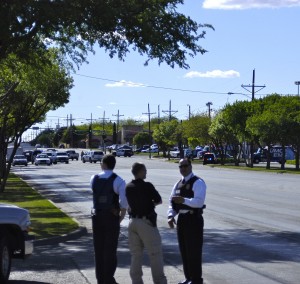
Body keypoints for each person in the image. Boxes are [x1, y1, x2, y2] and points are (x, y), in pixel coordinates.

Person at [126, 162, 167, 284]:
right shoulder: (147, 186)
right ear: (140, 172)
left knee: (136, 255)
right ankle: (160, 281)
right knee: (155, 254)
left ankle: (136, 281)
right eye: (144, 170)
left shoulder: (128, 187)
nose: (146, 172)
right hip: (146, 223)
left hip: (132, 222)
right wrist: (150, 204)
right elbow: (158, 200)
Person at [167, 158, 206, 284]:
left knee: (193, 250)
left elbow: (199, 202)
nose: (183, 168)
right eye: (180, 166)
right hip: (182, 219)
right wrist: (171, 215)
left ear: (190, 166)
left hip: (193, 219)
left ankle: (196, 280)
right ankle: (188, 278)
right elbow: (171, 202)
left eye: (185, 166)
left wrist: (183, 200)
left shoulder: (198, 182)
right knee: (184, 250)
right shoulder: (178, 184)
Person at [90, 154, 127, 284]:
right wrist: (119, 220)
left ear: (103, 164)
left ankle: (100, 279)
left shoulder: (93, 178)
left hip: (96, 216)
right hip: (111, 216)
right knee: (110, 250)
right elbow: (124, 205)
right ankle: (109, 279)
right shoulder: (119, 181)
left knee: (98, 249)